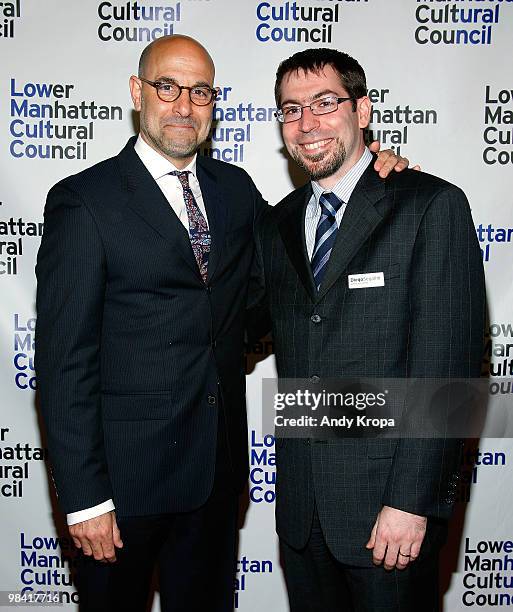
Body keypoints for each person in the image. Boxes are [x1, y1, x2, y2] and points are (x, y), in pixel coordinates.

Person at [35, 35, 408, 612]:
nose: (185, 106)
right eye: (168, 87)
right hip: (121, 490)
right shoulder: (85, 201)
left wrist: (373, 168)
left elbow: (286, 276)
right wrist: (84, 498)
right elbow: (63, 363)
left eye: (201, 92)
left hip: (214, 477)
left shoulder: (234, 191)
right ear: (138, 93)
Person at [256, 48, 485, 611]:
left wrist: (411, 502)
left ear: (363, 110)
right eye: (291, 110)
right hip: (304, 518)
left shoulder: (430, 206)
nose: (307, 124)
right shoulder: (276, 224)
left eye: (325, 103)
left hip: (391, 516)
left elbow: (448, 372)